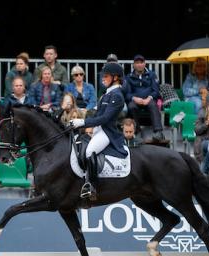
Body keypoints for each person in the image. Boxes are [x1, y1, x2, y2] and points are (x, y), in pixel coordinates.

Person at [70, 63, 128, 199]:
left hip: (107, 132)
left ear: (115, 78)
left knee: (90, 151)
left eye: (106, 76)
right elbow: (96, 114)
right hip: (98, 129)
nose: (103, 78)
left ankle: (92, 186)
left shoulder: (117, 95)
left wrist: (83, 123)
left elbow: (105, 118)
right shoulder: (106, 94)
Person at [125, 54, 164, 140]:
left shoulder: (152, 75)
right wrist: (134, 98)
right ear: (134, 65)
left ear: (145, 63)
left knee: (153, 105)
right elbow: (127, 94)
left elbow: (156, 91)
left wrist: (149, 98)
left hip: (148, 99)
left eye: (141, 62)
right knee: (131, 106)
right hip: (136, 100)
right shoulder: (128, 77)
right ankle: (137, 131)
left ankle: (158, 132)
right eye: (137, 62)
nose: (139, 64)